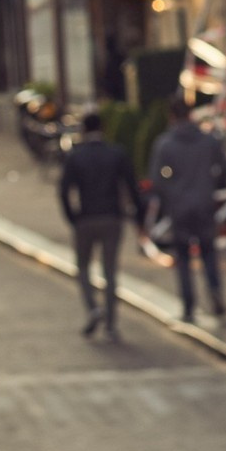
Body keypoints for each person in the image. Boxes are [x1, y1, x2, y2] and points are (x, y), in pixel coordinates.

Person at [57, 110, 143, 339]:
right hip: (112, 217)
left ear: (84, 130)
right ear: (103, 128)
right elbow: (132, 186)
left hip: (85, 217)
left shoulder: (76, 156)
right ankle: (112, 324)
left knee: (83, 268)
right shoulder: (116, 153)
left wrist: (72, 217)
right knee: (110, 272)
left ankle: (93, 309)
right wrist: (139, 217)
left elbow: (64, 191)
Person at [147, 97, 226, 324]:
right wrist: (214, 186)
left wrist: (168, 196)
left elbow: (157, 178)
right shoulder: (207, 140)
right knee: (208, 250)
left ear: (171, 116)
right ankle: (214, 290)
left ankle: (189, 305)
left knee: (183, 256)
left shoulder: (165, 144)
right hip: (204, 201)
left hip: (179, 205)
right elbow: (222, 167)